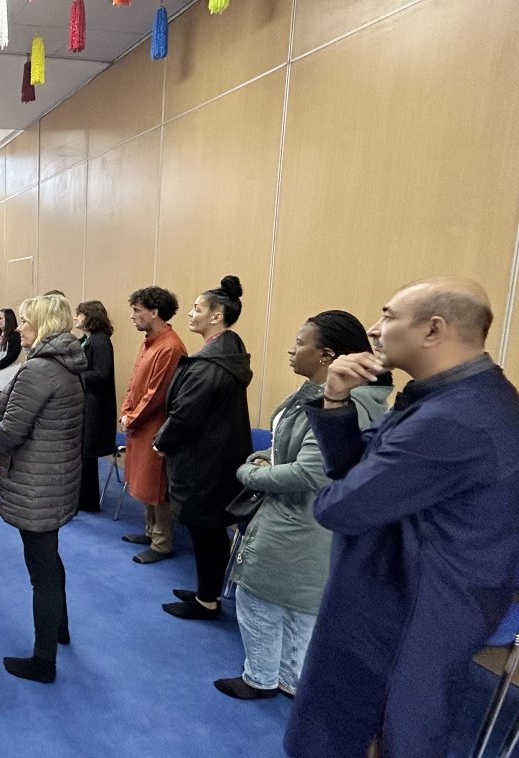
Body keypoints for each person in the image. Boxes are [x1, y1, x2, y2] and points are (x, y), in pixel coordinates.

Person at [284, 279, 519, 758]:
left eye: (388, 316)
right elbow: (354, 471)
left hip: (409, 609)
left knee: (378, 730)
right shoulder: (449, 396)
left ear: (433, 329)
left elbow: (340, 506)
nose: (374, 329)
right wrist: (335, 402)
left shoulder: (456, 417)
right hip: (405, 594)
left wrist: (348, 484)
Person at [214, 311, 391, 701]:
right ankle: (289, 679)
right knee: (293, 606)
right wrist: (267, 457)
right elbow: (288, 449)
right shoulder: (318, 393)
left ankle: (261, 678)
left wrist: (248, 472)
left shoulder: (347, 404)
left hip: (298, 521)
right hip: (302, 519)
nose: (291, 350)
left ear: (326, 354)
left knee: (259, 598)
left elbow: (311, 474)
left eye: (300, 343)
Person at [0, 294, 86, 683]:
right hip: (54, 478)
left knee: (40, 570)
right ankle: (58, 627)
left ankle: (44, 660)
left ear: (42, 326)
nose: (17, 328)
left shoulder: (40, 370)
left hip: (37, 482)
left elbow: (12, 426)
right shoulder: (67, 364)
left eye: (24, 322)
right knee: (49, 558)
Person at [154, 275, 252, 621]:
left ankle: (207, 601)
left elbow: (185, 416)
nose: (190, 314)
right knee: (209, 530)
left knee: (206, 530)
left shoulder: (212, 365)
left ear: (217, 315)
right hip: (217, 456)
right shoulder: (226, 353)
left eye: (197, 309)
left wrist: (161, 442)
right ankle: (206, 590)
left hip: (205, 461)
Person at [119, 286, 188, 564]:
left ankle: (161, 543)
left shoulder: (170, 346)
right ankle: (150, 532)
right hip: (139, 423)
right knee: (144, 483)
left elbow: (156, 394)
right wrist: (125, 411)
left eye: (137, 310)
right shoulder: (149, 341)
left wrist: (130, 418)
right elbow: (135, 384)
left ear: (155, 312)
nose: (133, 316)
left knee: (157, 485)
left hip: (155, 425)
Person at [74, 300, 116, 514]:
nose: (75, 319)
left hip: (95, 405)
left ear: (90, 316)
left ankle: (88, 501)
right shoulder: (85, 339)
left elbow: (102, 374)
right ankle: (81, 498)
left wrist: (75, 376)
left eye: (79, 314)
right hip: (84, 403)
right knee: (81, 453)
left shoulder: (100, 342)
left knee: (87, 455)